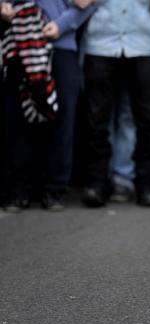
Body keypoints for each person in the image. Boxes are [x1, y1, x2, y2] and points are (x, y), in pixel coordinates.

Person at [2, 0, 94, 212]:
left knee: (62, 117)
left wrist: (62, 24)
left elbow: (89, 4)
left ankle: (54, 188)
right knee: (17, 118)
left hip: (61, 44)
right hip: (19, 43)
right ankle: (19, 189)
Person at [80, 0, 150, 208]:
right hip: (101, 42)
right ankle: (97, 182)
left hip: (142, 43)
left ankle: (143, 183)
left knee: (146, 118)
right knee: (97, 118)